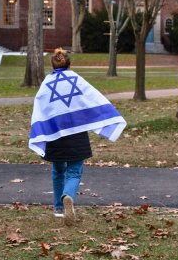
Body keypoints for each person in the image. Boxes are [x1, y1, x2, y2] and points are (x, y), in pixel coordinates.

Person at [29, 48, 126, 226]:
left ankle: (59, 208)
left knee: (58, 171)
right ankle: (68, 196)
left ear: (52, 64)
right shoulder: (77, 80)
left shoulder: (46, 84)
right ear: (69, 63)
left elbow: (40, 110)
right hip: (76, 134)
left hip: (54, 134)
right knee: (74, 171)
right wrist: (109, 116)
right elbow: (93, 99)